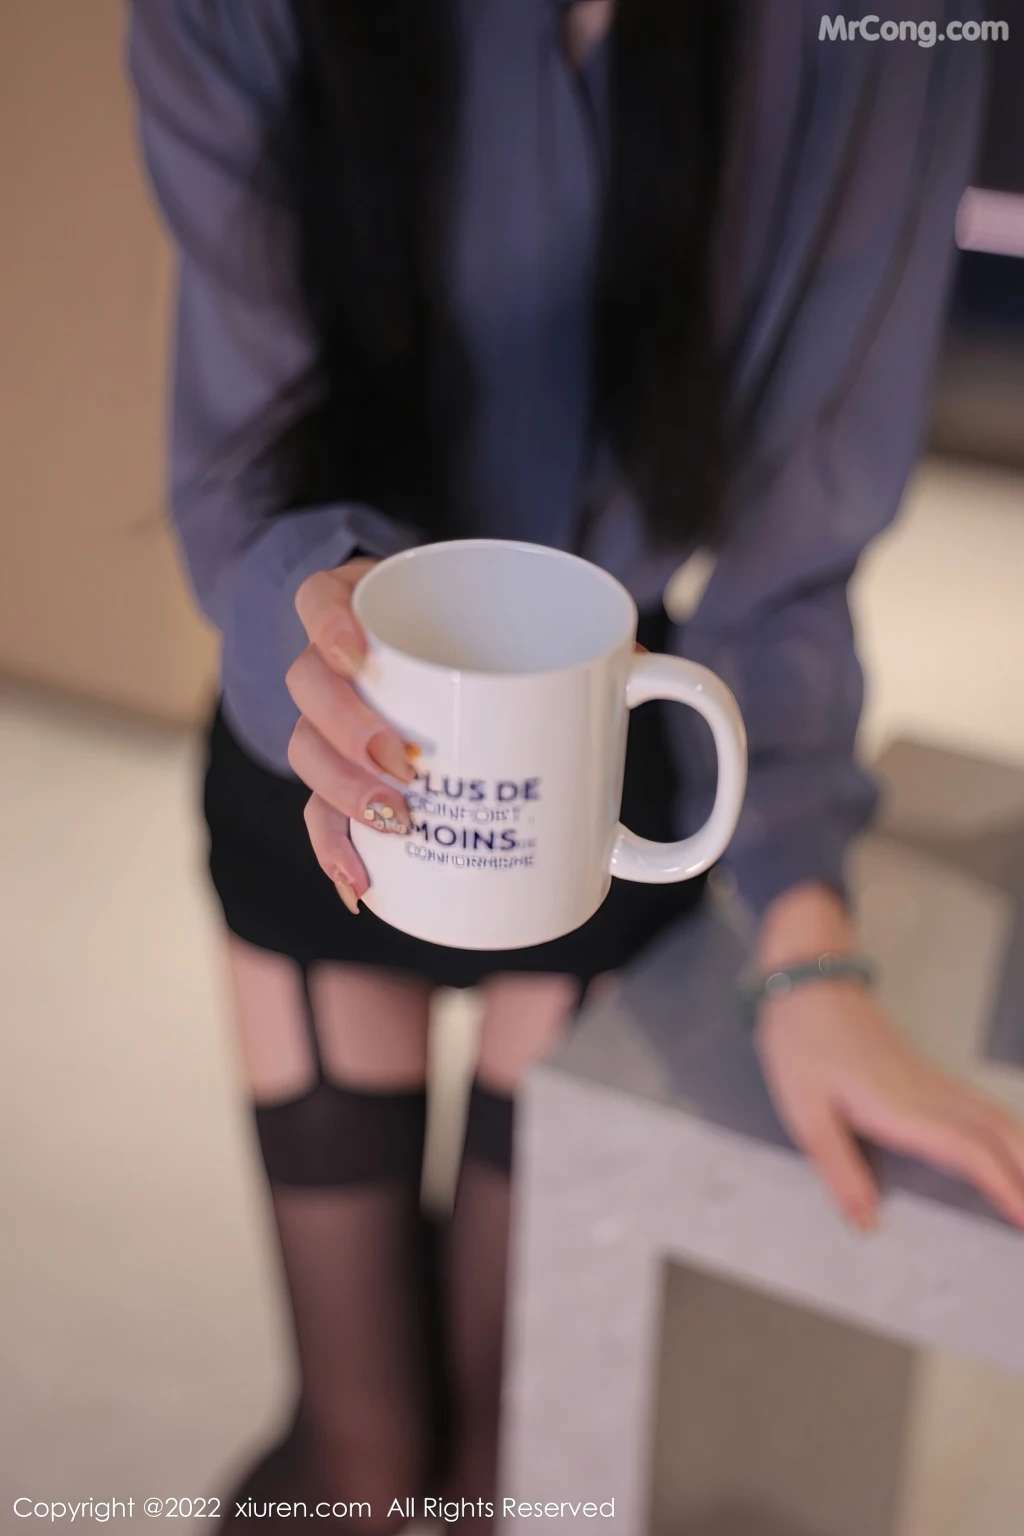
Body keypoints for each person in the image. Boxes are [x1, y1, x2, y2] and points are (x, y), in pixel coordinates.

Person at [128, 2, 1024, 1530]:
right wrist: (324, 626)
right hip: (323, 711)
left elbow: (796, 554)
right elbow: (238, 459)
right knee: (362, 1468)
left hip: (594, 759)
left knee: (512, 1469)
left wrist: (808, 946)